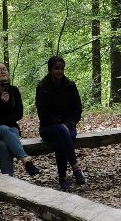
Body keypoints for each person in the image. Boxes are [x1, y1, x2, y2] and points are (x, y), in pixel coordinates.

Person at [0, 62, 40, 177]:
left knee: (4, 144)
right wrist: (1, 103)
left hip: (11, 129)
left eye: (4, 69)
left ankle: (8, 179)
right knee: (3, 129)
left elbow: (18, 114)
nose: (2, 71)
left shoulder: (14, 91)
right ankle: (25, 159)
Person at [35, 56, 87, 190]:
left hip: (68, 126)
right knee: (61, 132)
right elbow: (43, 114)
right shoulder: (42, 87)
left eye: (62, 68)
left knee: (61, 139)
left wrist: (69, 123)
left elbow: (77, 109)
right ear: (50, 70)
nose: (59, 71)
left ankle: (62, 177)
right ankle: (76, 168)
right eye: (56, 68)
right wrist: (59, 123)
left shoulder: (70, 86)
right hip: (48, 128)